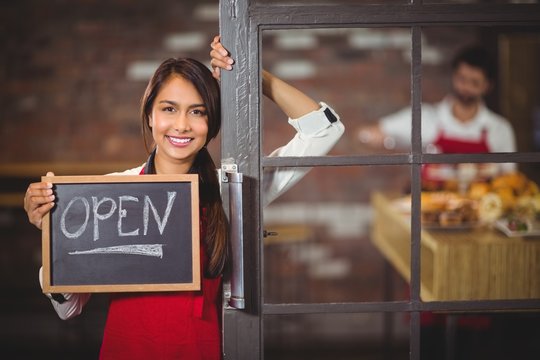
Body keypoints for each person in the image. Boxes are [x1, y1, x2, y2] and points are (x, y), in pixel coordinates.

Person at [23, 35, 344, 359]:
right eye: (169, 109)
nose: (181, 125)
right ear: (150, 116)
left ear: (212, 123)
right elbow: (69, 308)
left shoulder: (231, 191)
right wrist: (54, 235)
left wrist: (253, 75)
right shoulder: (112, 191)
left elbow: (324, 131)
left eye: (197, 112)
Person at [356, 45, 516, 188]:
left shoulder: (500, 129)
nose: (465, 87)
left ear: (488, 86)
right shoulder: (427, 118)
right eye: (462, 79)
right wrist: (381, 140)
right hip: (430, 213)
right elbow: (368, 133)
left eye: (474, 83)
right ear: (454, 76)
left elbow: (510, 179)